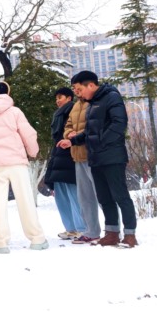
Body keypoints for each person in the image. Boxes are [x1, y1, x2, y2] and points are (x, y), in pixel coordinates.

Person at [58, 70, 137, 247]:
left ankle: (130, 234)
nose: (78, 93)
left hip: (112, 156)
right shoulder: (92, 103)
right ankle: (112, 233)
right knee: (104, 197)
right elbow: (90, 131)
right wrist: (73, 141)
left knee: (120, 195)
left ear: (91, 85)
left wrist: (99, 142)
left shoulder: (112, 97)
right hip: (95, 157)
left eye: (79, 89)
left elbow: (119, 125)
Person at [0, 82, 48, 254]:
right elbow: (28, 133)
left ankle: (0, 242)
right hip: (16, 162)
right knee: (25, 199)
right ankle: (37, 239)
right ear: (7, 93)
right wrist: (33, 151)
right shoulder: (14, 112)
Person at [43, 87, 86, 240]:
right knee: (61, 194)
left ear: (69, 98)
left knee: (73, 193)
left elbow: (76, 131)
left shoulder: (73, 110)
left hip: (70, 155)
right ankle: (71, 228)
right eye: (56, 98)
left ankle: (82, 228)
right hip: (58, 155)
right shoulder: (58, 115)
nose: (57, 101)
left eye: (60, 97)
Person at [63, 84, 103, 244]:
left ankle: (113, 230)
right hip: (77, 156)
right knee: (85, 198)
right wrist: (69, 133)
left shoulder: (95, 103)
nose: (76, 91)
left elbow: (96, 127)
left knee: (102, 195)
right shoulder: (75, 107)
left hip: (94, 156)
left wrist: (78, 135)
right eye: (74, 89)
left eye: (78, 88)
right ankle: (91, 231)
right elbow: (67, 126)